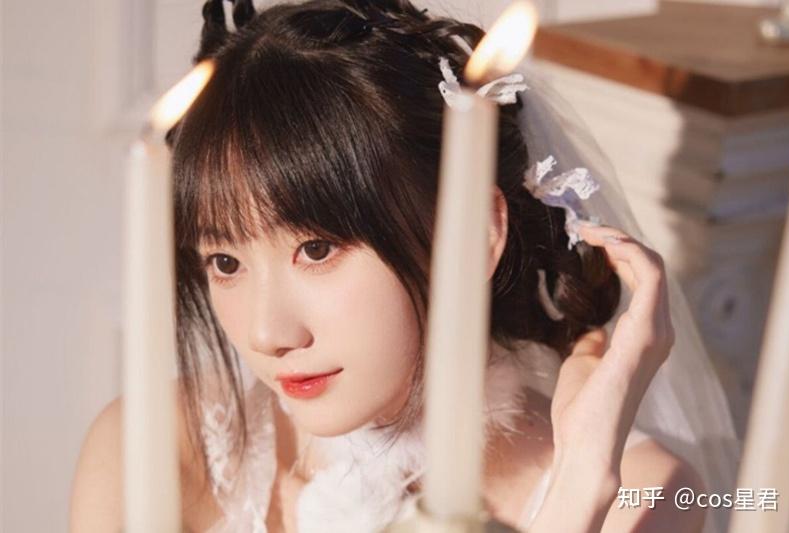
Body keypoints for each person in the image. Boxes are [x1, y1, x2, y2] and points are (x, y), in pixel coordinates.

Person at [70, 1, 738, 532]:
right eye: (224, 260)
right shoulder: (154, 447)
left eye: (317, 249)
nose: (268, 333)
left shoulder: (641, 494)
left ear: (473, 236)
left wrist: (582, 481)